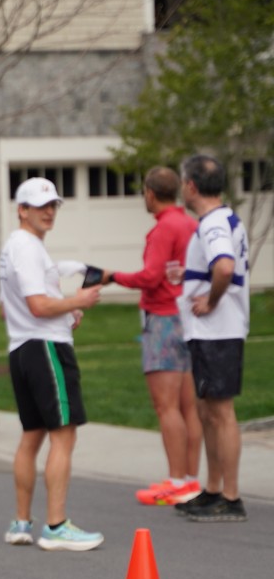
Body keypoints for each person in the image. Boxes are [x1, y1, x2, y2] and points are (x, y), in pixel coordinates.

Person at [0, 176, 104, 550]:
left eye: (53, 205)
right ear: (22, 210)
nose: (48, 212)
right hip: (45, 348)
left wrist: (65, 311)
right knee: (64, 434)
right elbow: (38, 306)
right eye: (40, 206)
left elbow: (10, 307)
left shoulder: (14, 247)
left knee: (32, 436)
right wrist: (78, 302)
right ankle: (56, 527)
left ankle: (20, 522)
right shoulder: (27, 247)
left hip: (22, 348)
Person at [101, 167, 202, 505]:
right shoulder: (190, 224)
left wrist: (112, 276)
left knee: (166, 406)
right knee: (188, 406)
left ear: (150, 193)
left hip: (162, 320)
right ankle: (190, 480)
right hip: (188, 319)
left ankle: (175, 482)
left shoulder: (162, 229)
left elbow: (150, 277)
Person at [173, 154, 250, 523]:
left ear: (191, 186)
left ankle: (230, 497)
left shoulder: (214, 222)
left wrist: (212, 300)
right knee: (207, 411)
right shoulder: (219, 220)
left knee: (220, 413)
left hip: (219, 331)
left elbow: (224, 267)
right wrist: (188, 275)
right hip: (210, 333)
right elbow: (215, 267)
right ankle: (214, 489)